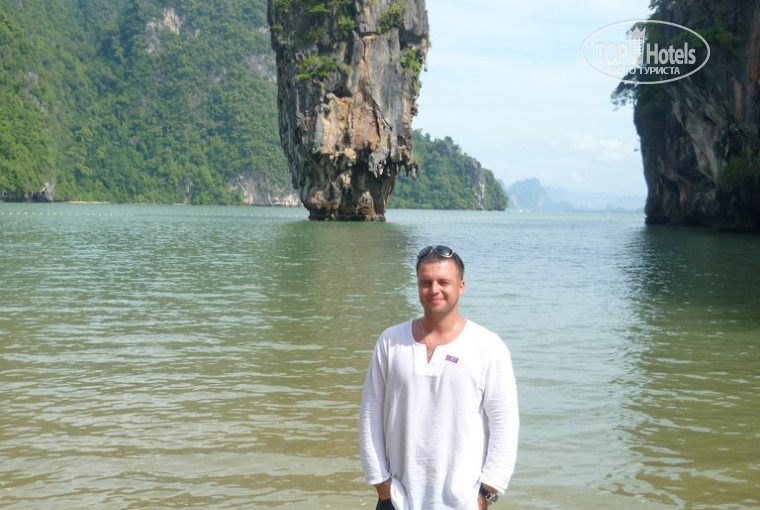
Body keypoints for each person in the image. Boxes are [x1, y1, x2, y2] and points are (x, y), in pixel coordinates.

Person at [359, 245, 520, 510]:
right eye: (426, 282)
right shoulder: (391, 341)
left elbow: (505, 425)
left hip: (463, 502)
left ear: (461, 286)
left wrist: (486, 493)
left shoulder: (487, 346)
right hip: (398, 498)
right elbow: (370, 413)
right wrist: (382, 484)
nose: (434, 289)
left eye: (443, 282)